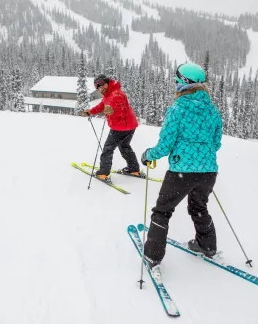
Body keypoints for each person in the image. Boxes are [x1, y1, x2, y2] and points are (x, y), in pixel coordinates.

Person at [140, 62, 223, 270]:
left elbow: (166, 145)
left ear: (184, 82)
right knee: (199, 208)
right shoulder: (213, 111)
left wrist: (148, 155)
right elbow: (216, 143)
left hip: (181, 171)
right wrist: (201, 156)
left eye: (177, 79)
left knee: (162, 211)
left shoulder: (177, 109)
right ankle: (207, 247)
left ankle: (153, 256)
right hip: (208, 171)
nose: (175, 82)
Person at [81, 74, 142, 183]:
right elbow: (101, 106)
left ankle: (103, 173)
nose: (100, 88)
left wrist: (112, 110)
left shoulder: (117, 94)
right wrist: (90, 111)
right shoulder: (109, 95)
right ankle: (133, 169)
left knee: (108, 149)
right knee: (124, 146)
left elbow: (121, 108)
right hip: (130, 126)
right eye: (97, 87)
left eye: (101, 85)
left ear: (107, 83)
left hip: (120, 127)